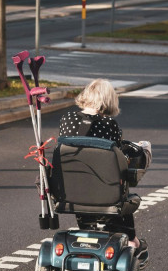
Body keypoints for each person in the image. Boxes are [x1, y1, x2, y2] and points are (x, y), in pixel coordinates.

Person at [59, 79, 151, 248]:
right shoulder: (109, 125)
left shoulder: (67, 118)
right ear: (108, 100)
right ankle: (132, 241)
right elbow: (118, 158)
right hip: (105, 191)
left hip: (72, 190)